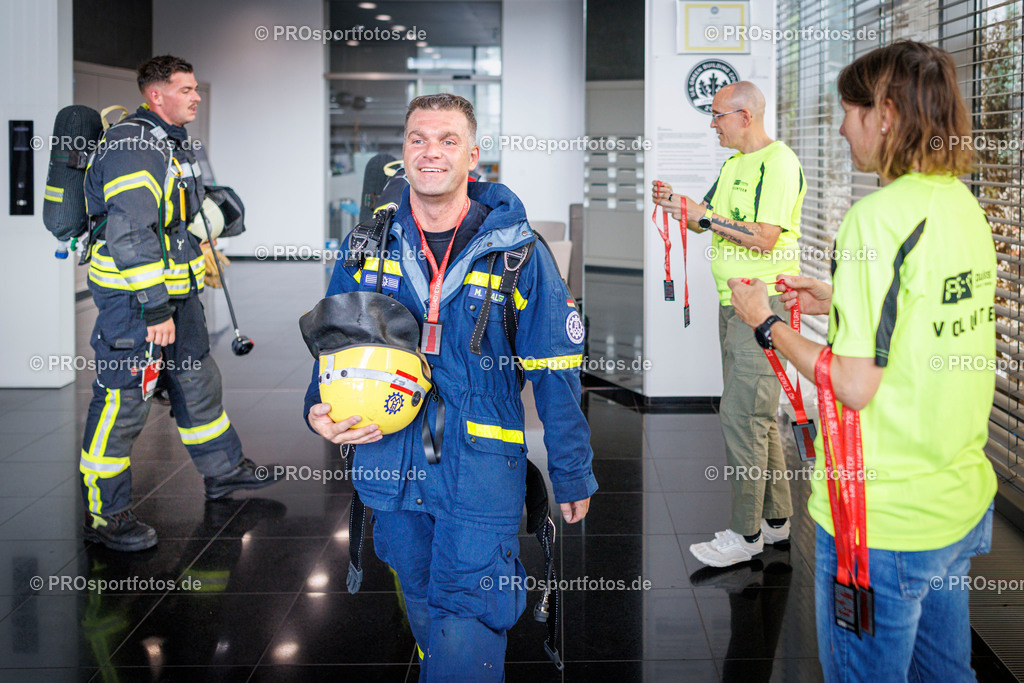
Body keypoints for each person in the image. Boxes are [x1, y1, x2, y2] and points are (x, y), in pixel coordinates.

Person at [304, 93, 597, 681]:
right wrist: (316, 407)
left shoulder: (518, 253)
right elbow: (336, 344)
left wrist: (571, 469)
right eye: (418, 139)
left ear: (473, 156)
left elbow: (554, 372)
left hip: (479, 463)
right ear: (403, 151)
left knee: (469, 610)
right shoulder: (367, 246)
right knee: (419, 599)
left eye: (447, 141)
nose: (430, 152)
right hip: (387, 458)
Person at [728, 41, 996, 681]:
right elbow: (921, 320)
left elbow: (852, 384)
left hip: (880, 521)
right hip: (955, 505)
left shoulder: (876, 218)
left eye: (849, 110)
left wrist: (764, 321)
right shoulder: (961, 205)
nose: (843, 127)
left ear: (888, 114)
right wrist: (834, 296)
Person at [80, 55, 279, 552]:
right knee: (123, 402)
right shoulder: (132, 145)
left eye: (195, 88)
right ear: (156, 95)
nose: (195, 96)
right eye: (186, 89)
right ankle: (106, 515)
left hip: (178, 293)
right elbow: (129, 234)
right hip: (136, 303)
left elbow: (176, 216)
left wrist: (212, 222)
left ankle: (224, 472)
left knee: (196, 380)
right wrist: (154, 309)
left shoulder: (174, 142)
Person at [651, 81, 807, 567]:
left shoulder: (779, 163)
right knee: (756, 419)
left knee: (743, 418)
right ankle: (777, 521)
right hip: (733, 306)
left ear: (745, 116)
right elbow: (706, 221)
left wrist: (706, 217)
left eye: (717, 115)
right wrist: (677, 203)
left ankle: (746, 534)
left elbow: (762, 238)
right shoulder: (735, 165)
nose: (712, 124)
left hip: (764, 309)